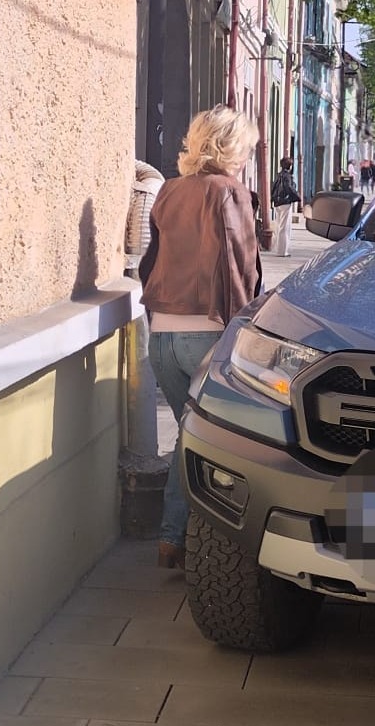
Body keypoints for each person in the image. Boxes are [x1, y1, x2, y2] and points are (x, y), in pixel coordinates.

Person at [138, 104, 259, 569]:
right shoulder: (229, 191)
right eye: (246, 148)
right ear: (231, 147)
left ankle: (174, 540)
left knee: (189, 436)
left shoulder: (170, 190)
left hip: (162, 335)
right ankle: (187, 537)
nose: (247, 157)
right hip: (207, 333)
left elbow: (151, 261)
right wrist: (241, 332)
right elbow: (238, 267)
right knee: (213, 443)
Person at [271, 156, 300, 257]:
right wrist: (297, 197)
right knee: (284, 227)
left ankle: (278, 249)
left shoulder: (278, 175)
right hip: (285, 202)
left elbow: (273, 188)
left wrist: (273, 199)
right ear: (290, 166)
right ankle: (282, 251)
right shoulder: (287, 176)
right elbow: (289, 188)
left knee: (279, 226)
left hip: (277, 202)